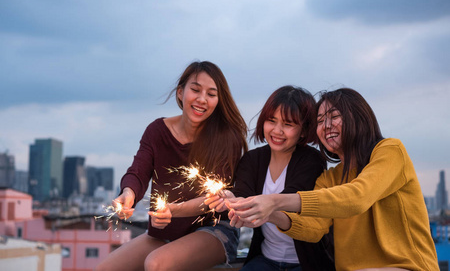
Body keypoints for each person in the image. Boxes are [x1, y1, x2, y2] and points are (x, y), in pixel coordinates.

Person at [227, 88, 439, 271]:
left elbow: (357, 197)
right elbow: (313, 229)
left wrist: (274, 201)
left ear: (359, 117)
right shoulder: (330, 178)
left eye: (334, 116)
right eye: (320, 121)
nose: (326, 125)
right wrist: (268, 214)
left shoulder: (390, 151)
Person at [95, 61, 248, 271]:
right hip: (167, 230)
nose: (202, 99)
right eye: (195, 90)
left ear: (218, 101)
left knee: (156, 264)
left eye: (211, 94)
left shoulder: (227, 137)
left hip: (213, 231)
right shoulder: (157, 131)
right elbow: (138, 170)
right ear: (180, 93)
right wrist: (128, 194)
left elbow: (215, 198)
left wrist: (173, 211)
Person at [206, 86, 335, 271]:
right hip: (265, 258)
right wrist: (230, 199)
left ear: (305, 130)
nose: (277, 130)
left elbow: (290, 201)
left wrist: (251, 206)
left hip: (306, 262)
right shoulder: (252, 159)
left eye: (288, 124)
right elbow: (242, 194)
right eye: (271, 120)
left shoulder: (313, 160)